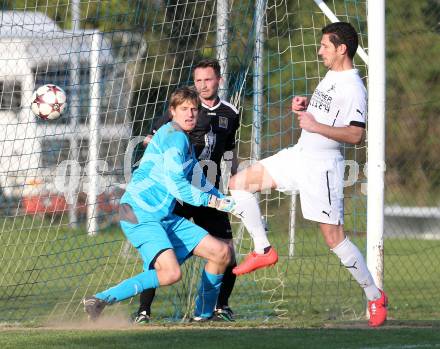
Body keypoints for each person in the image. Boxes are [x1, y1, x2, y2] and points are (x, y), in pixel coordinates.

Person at [227, 22, 388, 327]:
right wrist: (306, 105)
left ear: (342, 48)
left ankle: (374, 295)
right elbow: (328, 112)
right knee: (239, 184)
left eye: (325, 45)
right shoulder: (331, 76)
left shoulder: (354, 87)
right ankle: (264, 249)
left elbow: (355, 135)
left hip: (323, 167)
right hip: (300, 155)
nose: (319, 50)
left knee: (334, 238)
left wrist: (314, 125)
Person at [133, 59, 275, 323]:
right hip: (178, 192)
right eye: (198, 80)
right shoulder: (184, 109)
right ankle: (143, 310)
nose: (202, 85)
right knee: (159, 251)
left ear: (219, 80)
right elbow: (153, 138)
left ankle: (220, 306)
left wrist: (235, 181)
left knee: (227, 251)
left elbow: (230, 150)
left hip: (207, 192)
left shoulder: (231, 113)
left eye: (207, 80)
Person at [83, 86, 238, 322]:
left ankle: (203, 316)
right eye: (184, 109)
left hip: (162, 216)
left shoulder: (180, 138)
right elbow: (177, 184)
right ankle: (101, 299)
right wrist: (212, 201)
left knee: (221, 252)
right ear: (172, 111)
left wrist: (225, 199)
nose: (190, 114)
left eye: (194, 110)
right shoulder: (175, 138)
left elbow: (197, 177)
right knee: (170, 273)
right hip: (138, 212)